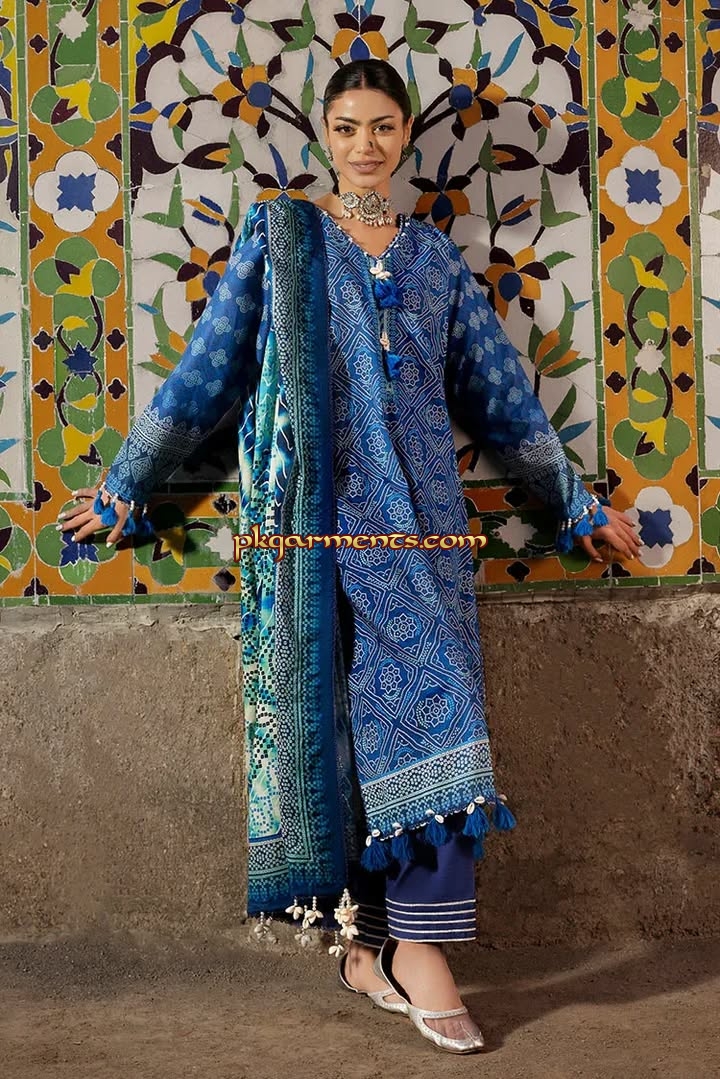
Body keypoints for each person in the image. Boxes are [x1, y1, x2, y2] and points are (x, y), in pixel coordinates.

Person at [58, 59, 640, 1053]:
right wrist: (126, 484)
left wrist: (575, 505)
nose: (364, 143)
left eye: (382, 126)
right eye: (346, 126)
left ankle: (396, 944)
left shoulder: (434, 260)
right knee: (349, 734)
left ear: (406, 136)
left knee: (431, 712)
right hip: (313, 526)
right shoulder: (284, 238)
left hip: (421, 533)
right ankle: (393, 948)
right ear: (324, 136)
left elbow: (500, 395)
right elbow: (206, 371)